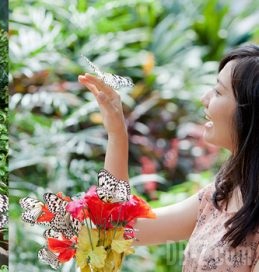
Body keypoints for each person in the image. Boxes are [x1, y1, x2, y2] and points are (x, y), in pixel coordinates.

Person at [81, 44, 259, 271]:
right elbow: (121, 226)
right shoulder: (222, 194)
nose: (204, 98)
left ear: (250, 113)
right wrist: (117, 133)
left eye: (218, 91)